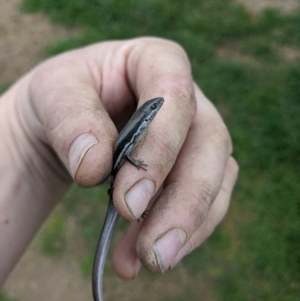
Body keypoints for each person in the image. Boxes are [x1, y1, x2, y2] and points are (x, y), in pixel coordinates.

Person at [0, 37, 238, 284]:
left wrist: (23, 129)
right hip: (117, 174)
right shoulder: (139, 127)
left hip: (112, 177)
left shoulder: (140, 125)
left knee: (129, 196)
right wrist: (136, 164)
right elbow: (124, 153)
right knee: (129, 194)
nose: (157, 108)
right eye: (154, 108)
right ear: (147, 116)